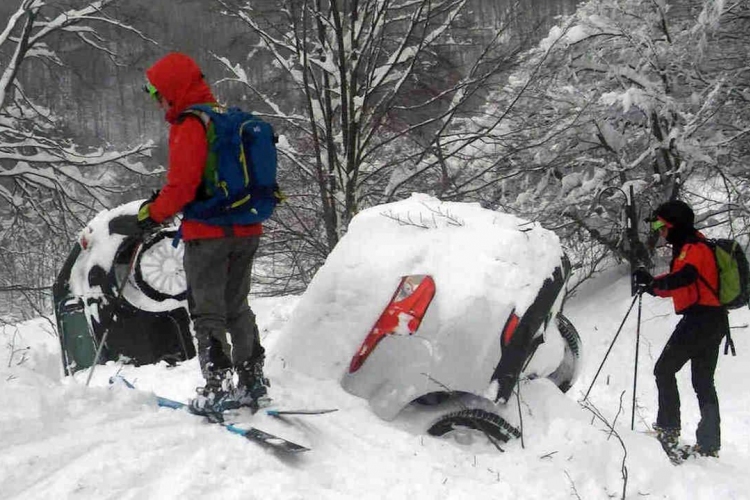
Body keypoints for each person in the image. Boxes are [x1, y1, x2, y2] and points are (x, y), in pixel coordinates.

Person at [137, 52, 270, 413]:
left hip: (208, 234)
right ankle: (252, 380)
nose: (158, 102)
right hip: (247, 229)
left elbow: (182, 187)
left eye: (158, 94)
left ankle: (218, 386)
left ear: (172, 90)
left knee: (207, 312)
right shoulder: (225, 119)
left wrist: (151, 214)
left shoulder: (189, 124)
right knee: (237, 307)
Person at [633, 199, 728, 461]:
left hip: (701, 321)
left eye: (662, 225)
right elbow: (684, 284)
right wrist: (653, 286)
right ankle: (709, 445)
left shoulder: (693, 248)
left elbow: (684, 278)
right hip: (712, 320)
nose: (660, 231)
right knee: (702, 382)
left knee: (664, 370)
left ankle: (668, 431)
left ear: (675, 224)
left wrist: (653, 284)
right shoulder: (692, 245)